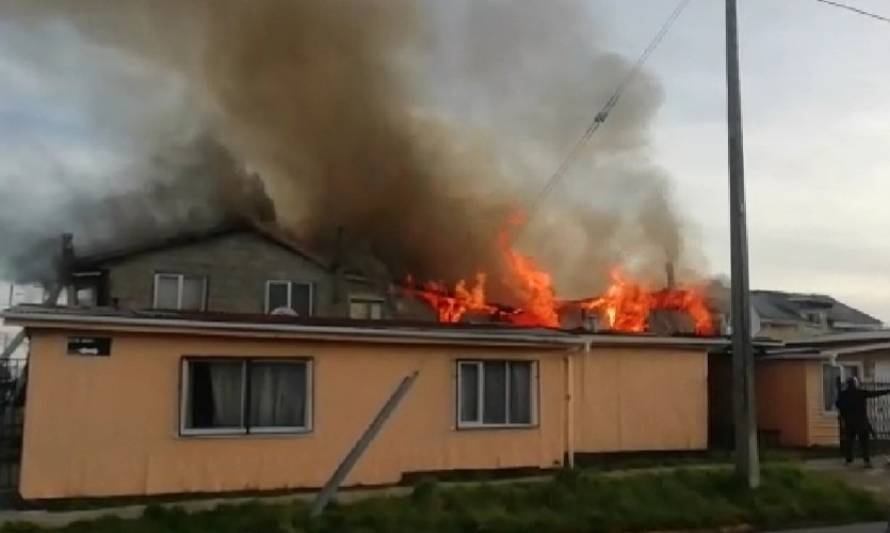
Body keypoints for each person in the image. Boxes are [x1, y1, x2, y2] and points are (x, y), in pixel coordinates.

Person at [836, 376, 890, 467]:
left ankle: (849, 459)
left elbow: (838, 404)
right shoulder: (860, 393)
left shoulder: (843, 394)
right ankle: (866, 461)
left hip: (849, 422)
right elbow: (875, 393)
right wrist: (888, 391)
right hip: (861, 422)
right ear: (855, 384)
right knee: (864, 442)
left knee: (849, 441)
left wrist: (844, 413)